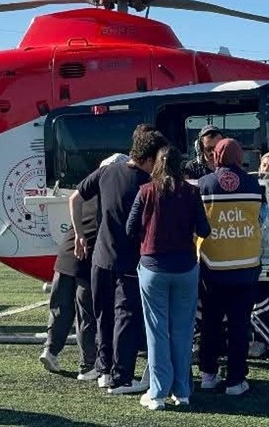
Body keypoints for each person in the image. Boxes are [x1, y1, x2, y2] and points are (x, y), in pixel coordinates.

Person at [69, 127, 167, 395]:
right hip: (130, 259)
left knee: (103, 313)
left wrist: (79, 235)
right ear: (149, 158)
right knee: (126, 316)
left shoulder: (107, 171)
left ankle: (103, 370)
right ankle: (122, 375)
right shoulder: (147, 183)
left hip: (100, 256)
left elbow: (75, 198)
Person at [126, 145, 210, 410]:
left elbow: (130, 228)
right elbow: (204, 230)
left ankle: (158, 392)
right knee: (183, 331)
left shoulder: (146, 191)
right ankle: (182, 390)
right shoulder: (191, 192)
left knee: (156, 331)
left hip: (153, 267)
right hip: (185, 266)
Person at [40, 153, 127, 380]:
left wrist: (78, 235)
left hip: (67, 251)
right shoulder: (113, 195)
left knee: (60, 307)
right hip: (87, 257)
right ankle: (87, 364)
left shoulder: (86, 194)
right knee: (86, 313)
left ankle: (50, 349)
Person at [196, 137, 264, 397]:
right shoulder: (254, 184)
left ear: (216, 156)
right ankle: (236, 380)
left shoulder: (204, 185)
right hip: (246, 266)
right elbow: (261, 217)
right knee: (239, 325)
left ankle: (208, 374)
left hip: (213, 265)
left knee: (210, 324)